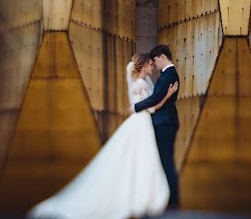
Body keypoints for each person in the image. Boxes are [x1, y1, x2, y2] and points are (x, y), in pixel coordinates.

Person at [28, 52, 179, 219]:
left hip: (141, 123)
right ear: (143, 66)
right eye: (150, 65)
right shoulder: (141, 84)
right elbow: (151, 107)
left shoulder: (140, 82)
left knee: (137, 159)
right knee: (140, 159)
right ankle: (140, 197)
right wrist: (168, 95)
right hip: (142, 124)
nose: (152, 67)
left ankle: (139, 195)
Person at [133, 44, 180, 210]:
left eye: (155, 61)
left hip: (165, 122)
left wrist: (136, 107)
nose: (154, 65)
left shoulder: (169, 74)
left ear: (162, 57)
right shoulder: (167, 74)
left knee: (166, 161)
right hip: (164, 121)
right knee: (163, 160)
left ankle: (172, 200)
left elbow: (155, 98)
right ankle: (168, 198)